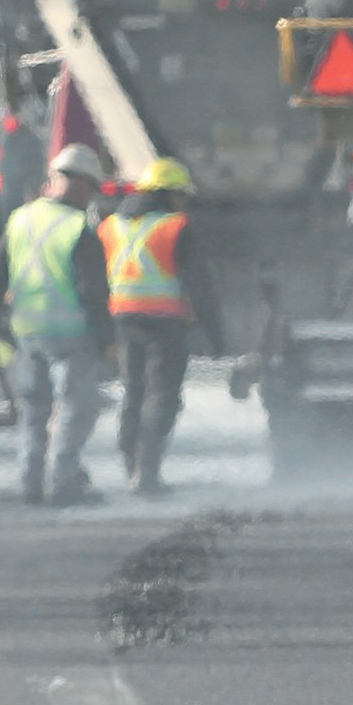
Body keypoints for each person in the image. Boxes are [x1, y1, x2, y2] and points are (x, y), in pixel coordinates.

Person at [0, 144, 113, 506]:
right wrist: (106, 339)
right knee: (74, 408)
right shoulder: (78, 228)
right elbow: (93, 291)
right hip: (70, 334)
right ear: (82, 185)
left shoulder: (21, 219)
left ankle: (31, 483)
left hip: (28, 333)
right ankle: (64, 483)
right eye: (90, 189)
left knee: (35, 410)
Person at [99, 156, 222, 496]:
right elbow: (199, 285)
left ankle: (131, 465)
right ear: (167, 193)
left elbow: (97, 280)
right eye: (181, 194)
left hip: (122, 319)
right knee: (162, 397)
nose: (184, 202)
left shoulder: (111, 225)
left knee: (133, 392)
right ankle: (147, 472)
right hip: (164, 323)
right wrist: (216, 336)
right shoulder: (175, 227)